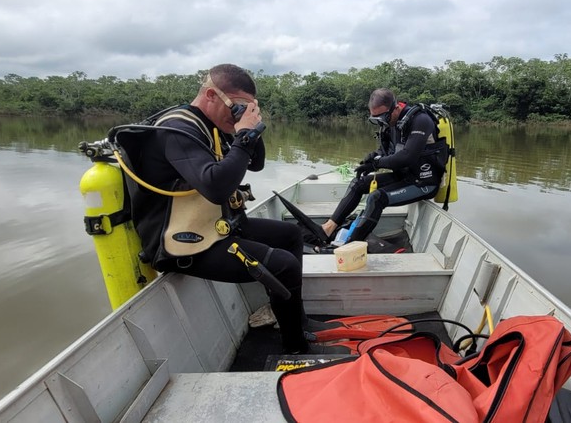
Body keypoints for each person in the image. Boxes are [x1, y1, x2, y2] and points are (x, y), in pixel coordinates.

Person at [120, 64, 341, 354]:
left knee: (290, 235)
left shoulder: (212, 125)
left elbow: (256, 163)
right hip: (183, 243)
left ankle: (296, 322)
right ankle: (296, 348)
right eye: (236, 107)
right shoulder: (177, 129)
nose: (238, 115)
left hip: (213, 225)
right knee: (283, 265)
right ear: (211, 94)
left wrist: (250, 128)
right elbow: (216, 187)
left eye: (245, 109)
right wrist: (244, 135)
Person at [321, 88, 449, 242]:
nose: (381, 122)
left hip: (423, 182)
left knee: (376, 198)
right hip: (402, 176)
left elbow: (407, 157)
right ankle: (328, 229)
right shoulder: (390, 122)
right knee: (358, 184)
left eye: (382, 117)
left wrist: (376, 164)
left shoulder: (420, 120)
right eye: (375, 119)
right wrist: (371, 159)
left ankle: (350, 246)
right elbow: (385, 151)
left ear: (395, 108)